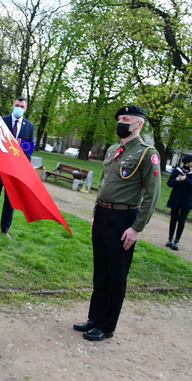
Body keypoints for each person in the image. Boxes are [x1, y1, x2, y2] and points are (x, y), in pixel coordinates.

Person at [73, 105, 161, 341]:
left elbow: (152, 195)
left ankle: (107, 325)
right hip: (103, 215)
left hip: (124, 219)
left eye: (126, 119)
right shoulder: (114, 149)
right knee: (100, 271)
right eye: (119, 118)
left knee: (116, 274)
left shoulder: (146, 153)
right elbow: (104, 184)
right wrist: (96, 212)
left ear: (139, 123)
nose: (121, 122)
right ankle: (95, 317)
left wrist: (136, 228)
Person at [0, 97, 34, 238]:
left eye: (22, 106)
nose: (19, 108)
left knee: (10, 199)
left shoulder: (29, 126)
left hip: (15, 170)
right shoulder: (1, 121)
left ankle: (5, 228)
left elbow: (29, 149)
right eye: (17, 105)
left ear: (25, 109)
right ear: (13, 105)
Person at [165, 154, 192, 251]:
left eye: (188, 163)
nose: (186, 165)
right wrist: (177, 179)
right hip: (176, 198)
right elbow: (169, 183)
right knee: (173, 219)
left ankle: (177, 241)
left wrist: (186, 179)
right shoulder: (177, 171)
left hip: (187, 200)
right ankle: (170, 239)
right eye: (185, 163)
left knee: (182, 220)